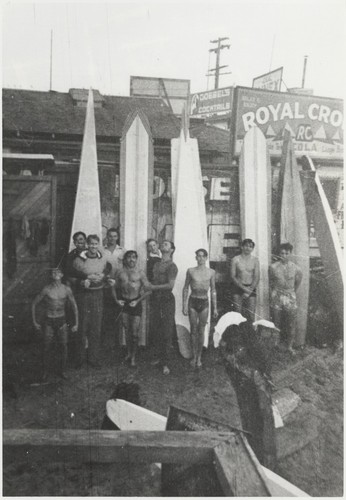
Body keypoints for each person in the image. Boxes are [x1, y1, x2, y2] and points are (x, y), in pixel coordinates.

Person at [73, 234, 114, 367]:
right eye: (91, 244)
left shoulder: (102, 258)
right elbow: (72, 277)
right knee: (83, 327)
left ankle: (93, 359)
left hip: (98, 295)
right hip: (84, 295)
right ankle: (79, 359)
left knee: (95, 328)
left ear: (98, 245)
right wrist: (83, 279)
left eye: (96, 244)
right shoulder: (79, 260)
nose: (93, 246)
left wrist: (105, 275)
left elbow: (108, 268)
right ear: (87, 245)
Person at [32, 267, 78, 381]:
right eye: (53, 272)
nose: (56, 273)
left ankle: (62, 371)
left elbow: (74, 306)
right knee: (46, 347)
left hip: (61, 320)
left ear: (62, 275)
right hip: (49, 320)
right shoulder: (46, 289)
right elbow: (34, 304)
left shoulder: (67, 289)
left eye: (58, 271)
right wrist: (34, 321)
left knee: (63, 346)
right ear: (51, 276)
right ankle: (45, 372)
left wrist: (76, 323)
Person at [111, 250, 151, 366]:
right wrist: (117, 300)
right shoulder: (119, 272)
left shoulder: (140, 273)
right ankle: (128, 353)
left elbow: (149, 290)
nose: (131, 259)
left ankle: (133, 357)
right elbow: (113, 287)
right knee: (127, 330)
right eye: (129, 257)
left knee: (134, 333)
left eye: (134, 257)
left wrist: (137, 301)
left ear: (136, 259)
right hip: (124, 303)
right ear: (125, 259)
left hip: (135, 303)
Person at [147, 240, 178, 375]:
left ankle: (166, 363)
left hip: (166, 300)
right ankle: (159, 358)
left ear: (171, 250)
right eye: (163, 243)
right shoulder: (156, 264)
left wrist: (153, 287)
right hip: (155, 299)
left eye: (166, 244)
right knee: (156, 329)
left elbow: (170, 286)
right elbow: (152, 281)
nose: (163, 245)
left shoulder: (172, 266)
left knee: (166, 331)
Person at [183, 249, 218, 368]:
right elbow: (186, 288)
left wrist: (215, 308)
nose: (201, 258)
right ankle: (194, 356)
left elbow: (213, 290)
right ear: (196, 258)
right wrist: (184, 305)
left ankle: (199, 357)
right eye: (198, 256)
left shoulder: (211, 272)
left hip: (204, 302)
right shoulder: (191, 271)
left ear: (206, 258)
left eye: (203, 256)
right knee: (193, 329)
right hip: (193, 301)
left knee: (201, 329)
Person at [269, 242, 303, 354]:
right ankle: (275, 345)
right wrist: (275, 293)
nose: (284, 255)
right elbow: (271, 282)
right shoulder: (273, 267)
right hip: (277, 295)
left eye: (286, 253)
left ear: (290, 253)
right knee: (276, 322)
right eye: (282, 253)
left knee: (291, 323)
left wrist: (290, 293)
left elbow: (297, 283)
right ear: (278, 254)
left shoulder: (296, 268)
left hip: (290, 296)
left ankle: (289, 347)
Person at [62, 231, 87, 367]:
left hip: (90, 291)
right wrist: (84, 276)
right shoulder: (71, 256)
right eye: (77, 240)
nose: (80, 242)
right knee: (77, 323)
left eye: (82, 240)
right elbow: (68, 272)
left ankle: (88, 355)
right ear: (74, 242)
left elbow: (104, 265)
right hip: (77, 291)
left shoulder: (91, 253)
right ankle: (77, 357)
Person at [103, 228, 126, 345]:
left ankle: (118, 343)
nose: (112, 238)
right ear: (107, 237)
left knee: (118, 313)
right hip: (105, 286)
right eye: (110, 236)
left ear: (118, 237)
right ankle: (107, 343)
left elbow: (125, 268)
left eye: (114, 236)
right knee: (107, 314)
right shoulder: (102, 250)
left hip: (118, 286)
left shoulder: (122, 251)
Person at [230, 239, 260, 322]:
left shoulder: (255, 260)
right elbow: (233, 276)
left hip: (251, 287)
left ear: (252, 249)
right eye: (246, 245)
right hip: (238, 287)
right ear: (242, 247)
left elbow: (256, 277)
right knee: (237, 314)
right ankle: (238, 334)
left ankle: (251, 334)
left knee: (251, 314)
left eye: (250, 246)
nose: (248, 248)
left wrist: (249, 291)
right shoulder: (235, 259)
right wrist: (244, 289)